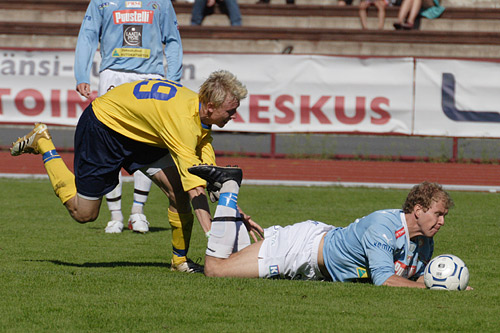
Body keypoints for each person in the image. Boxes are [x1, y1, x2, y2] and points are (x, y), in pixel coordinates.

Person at [10, 70, 262, 273]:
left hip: (141, 134)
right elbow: (196, 186)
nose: (235, 115)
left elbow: (209, 178)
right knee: (83, 213)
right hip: (104, 127)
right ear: (209, 106)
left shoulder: (199, 118)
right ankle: (43, 142)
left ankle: (179, 262)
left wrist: (235, 213)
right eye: (231, 110)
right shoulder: (184, 123)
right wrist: (215, 239)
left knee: (178, 194)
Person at [188, 165, 460, 288]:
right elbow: (385, 280)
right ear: (418, 210)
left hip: (315, 248)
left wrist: (448, 284)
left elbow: (415, 277)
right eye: (437, 214)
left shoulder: (424, 241)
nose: (442, 221)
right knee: (216, 270)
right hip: (298, 251)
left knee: (233, 254)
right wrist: (429, 289)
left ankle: (230, 209)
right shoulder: (384, 227)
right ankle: (229, 186)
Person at [74, 0, 183, 235]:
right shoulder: (101, 2)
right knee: (109, 144)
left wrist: (173, 79)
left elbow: (172, 39)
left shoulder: (161, 2)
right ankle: (115, 215)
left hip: (151, 77)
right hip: (113, 75)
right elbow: (88, 35)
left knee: (147, 143)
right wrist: (81, 74)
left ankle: (138, 211)